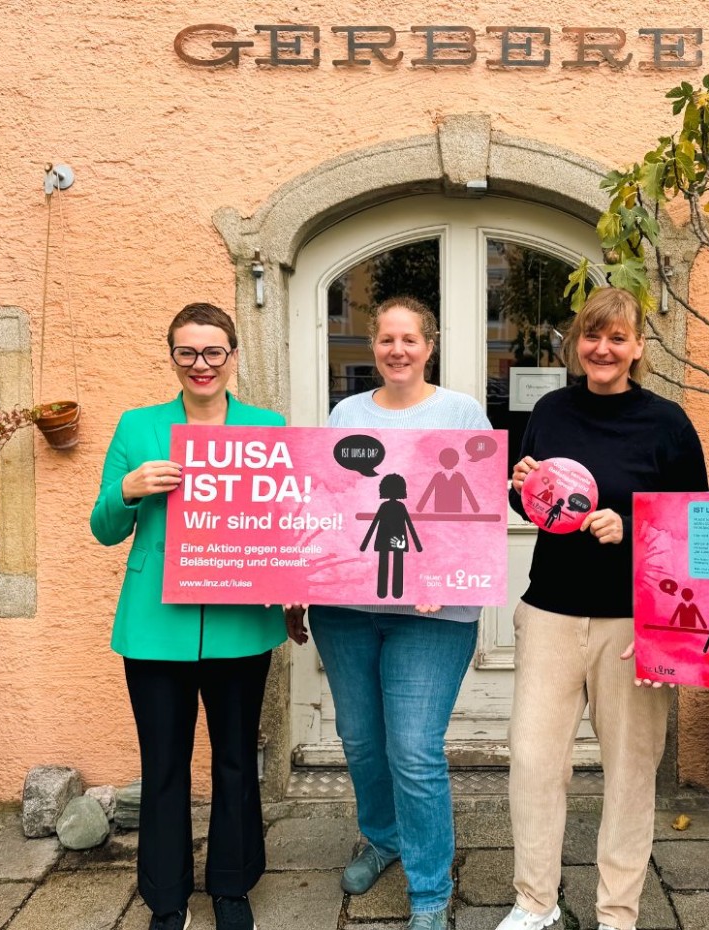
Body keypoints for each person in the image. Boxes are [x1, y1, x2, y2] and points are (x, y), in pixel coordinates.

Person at [497, 287, 708, 930]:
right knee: (533, 761)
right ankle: (535, 902)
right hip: (550, 611)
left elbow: (698, 529)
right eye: (592, 335)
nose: (603, 348)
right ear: (576, 344)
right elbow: (534, 504)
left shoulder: (667, 423)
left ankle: (617, 912)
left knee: (631, 771)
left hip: (633, 621)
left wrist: (633, 527)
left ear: (638, 346)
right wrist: (520, 487)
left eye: (618, 337)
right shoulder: (550, 411)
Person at [285, 296, 491, 930]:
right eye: (385, 340)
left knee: (414, 749)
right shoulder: (346, 413)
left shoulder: (460, 412)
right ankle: (383, 839)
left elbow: (475, 506)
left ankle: (429, 891)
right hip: (346, 609)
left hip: (433, 615)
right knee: (361, 741)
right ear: (373, 346)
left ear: (429, 345)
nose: (397, 350)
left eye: (409, 339)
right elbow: (326, 505)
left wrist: (444, 571)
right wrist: (297, 577)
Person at [90, 302, 286, 930]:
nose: (201, 364)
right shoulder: (138, 425)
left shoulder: (267, 427)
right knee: (164, 766)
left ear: (233, 355)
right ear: (172, 356)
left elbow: (286, 521)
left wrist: (297, 582)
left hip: (241, 622)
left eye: (213, 352)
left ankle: (232, 885)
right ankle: (165, 896)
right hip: (155, 627)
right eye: (187, 352)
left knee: (236, 760)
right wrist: (128, 490)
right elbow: (103, 528)